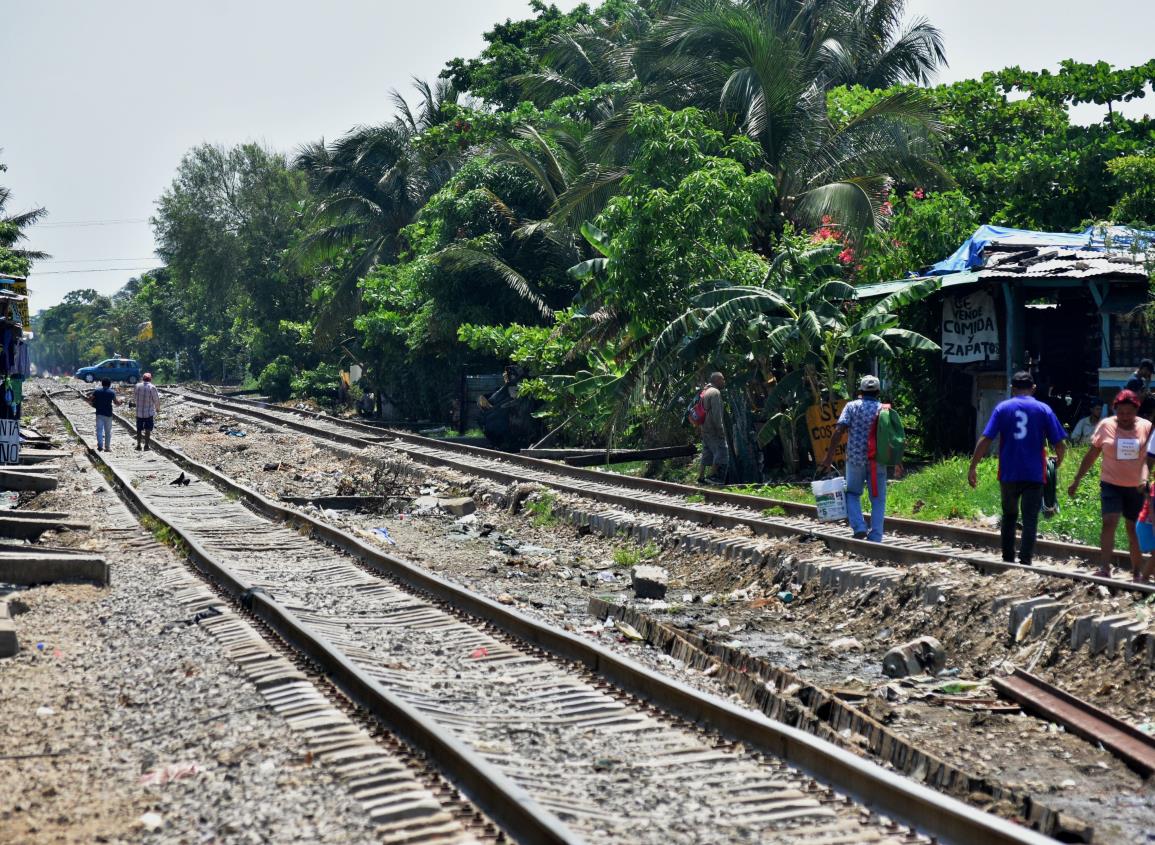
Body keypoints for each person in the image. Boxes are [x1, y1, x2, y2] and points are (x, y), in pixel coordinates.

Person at [968, 371, 1066, 567]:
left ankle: (1007, 557)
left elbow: (986, 439)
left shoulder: (1003, 408)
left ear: (1012, 388)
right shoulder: (1043, 409)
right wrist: (1058, 462)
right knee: (1030, 518)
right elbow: (1060, 444)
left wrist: (973, 467)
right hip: (1034, 474)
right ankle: (1025, 559)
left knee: (1009, 516)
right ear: (1034, 388)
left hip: (1009, 473)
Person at [1068, 389, 1153, 581]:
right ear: (1115, 410)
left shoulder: (1146, 427)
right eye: (1121, 413)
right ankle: (1104, 567)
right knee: (1109, 522)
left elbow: (1150, 458)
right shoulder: (1105, 426)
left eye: (1129, 413)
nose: (1124, 417)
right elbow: (1092, 454)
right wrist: (1077, 479)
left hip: (1136, 487)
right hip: (1111, 484)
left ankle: (1137, 571)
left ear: (1136, 411)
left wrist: (1145, 479)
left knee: (1133, 528)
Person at [820, 375, 897, 542]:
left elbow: (839, 431)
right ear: (878, 392)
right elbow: (893, 439)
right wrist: (898, 462)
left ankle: (859, 527)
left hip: (855, 459)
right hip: (878, 461)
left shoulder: (852, 406)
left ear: (860, 391)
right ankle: (876, 536)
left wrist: (829, 457)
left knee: (852, 494)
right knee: (878, 499)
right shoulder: (884, 410)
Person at [696, 372, 728, 485]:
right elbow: (716, 414)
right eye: (723, 379)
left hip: (704, 427)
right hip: (713, 428)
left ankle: (701, 477)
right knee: (721, 450)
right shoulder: (715, 393)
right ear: (717, 380)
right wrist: (720, 430)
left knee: (707, 451)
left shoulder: (705, 391)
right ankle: (713, 477)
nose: (724, 382)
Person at [85, 378, 121, 452]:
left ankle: (100, 446)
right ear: (109, 384)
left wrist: (92, 403)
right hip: (108, 414)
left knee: (99, 430)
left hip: (99, 413)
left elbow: (89, 399)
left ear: (102, 384)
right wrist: (121, 402)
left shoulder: (97, 391)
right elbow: (116, 403)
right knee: (108, 431)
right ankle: (107, 448)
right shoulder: (111, 392)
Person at [133, 372, 160, 451]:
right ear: (150, 379)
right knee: (148, 429)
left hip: (139, 412)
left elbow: (134, 397)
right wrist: (158, 409)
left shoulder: (137, 386)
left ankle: (138, 445)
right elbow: (156, 400)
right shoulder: (152, 387)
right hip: (149, 413)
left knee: (139, 429)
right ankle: (146, 446)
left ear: (142, 378)